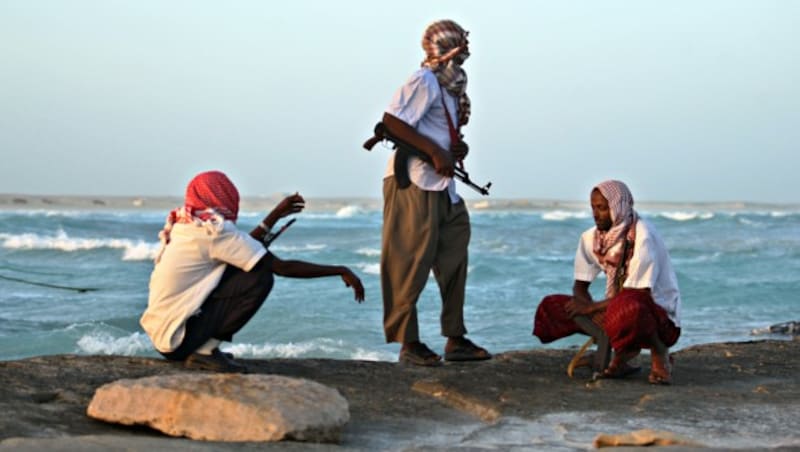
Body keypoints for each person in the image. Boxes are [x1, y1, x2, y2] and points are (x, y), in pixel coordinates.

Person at [140, 170, 365, 373]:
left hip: (166, 335)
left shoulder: (189, 226)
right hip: (178, 340)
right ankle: (205, 352)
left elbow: (243, 248)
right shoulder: (213, 233)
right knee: (260, 277)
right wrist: (340, 269)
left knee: (243, 267)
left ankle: (202, 348)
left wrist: (275, 215)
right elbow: (281, 267)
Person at [378, 19, 490, 366]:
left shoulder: (451, 88)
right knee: (408, 263)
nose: (466, 53)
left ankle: (455, 338)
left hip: (444, 188)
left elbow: (438, 132)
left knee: (454, 259)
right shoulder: (423, 80)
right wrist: (435, 151)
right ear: (447, 48)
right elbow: (390, 124)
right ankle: (408, 344)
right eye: (461, 46)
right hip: (414, 184)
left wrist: (454, 150)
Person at [533, 180, 681, 384]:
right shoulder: (590, 238)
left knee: (628, 308)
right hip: (617, 306)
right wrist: (583, 306)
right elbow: (580, 284)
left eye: (602, 208)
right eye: (593, 207)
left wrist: (591, 309)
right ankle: (616, 352)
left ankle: (660, 354)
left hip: (657, 314)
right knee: (553, 306)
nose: (595, 214)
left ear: (618, 207)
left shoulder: (643, 235)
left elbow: (640, 292)